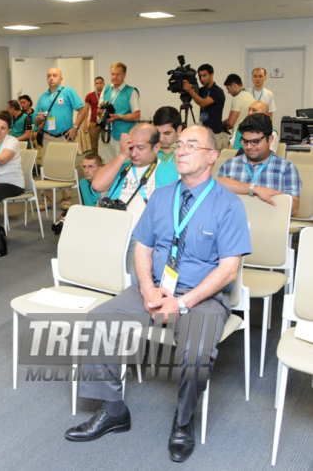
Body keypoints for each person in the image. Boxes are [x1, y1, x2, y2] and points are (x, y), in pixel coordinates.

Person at [65, 125, 252, 463]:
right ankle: (113, 411)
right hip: (154, 287)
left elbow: (228, 270)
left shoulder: (228, 204)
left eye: (191, 145)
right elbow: (143, 247)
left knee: (197, 349)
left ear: (212, 156)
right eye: (178, 144)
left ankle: (182, 423)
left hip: (202, 297)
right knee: (100, 319)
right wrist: (149, 289)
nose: (180, 150)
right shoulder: (163, 196)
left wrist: (181, 302)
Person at [91, 123, 179, 284]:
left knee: (133, 281)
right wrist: (122, 155)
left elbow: (207, 181)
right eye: (131, 147)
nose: (134, 153)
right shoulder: (120, 166)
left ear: (155, 147)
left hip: (144, 238)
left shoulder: (172, 170)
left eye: (140, 148)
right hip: (112, 231)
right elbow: (97, 185)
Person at [217, 113, 301, 217]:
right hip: (234, 225)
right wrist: (254, 189)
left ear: (270, 139)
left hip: (270, 224)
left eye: (255, 142)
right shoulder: (228, 166)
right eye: (245, 141)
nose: (249, 147)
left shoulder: (286, 168)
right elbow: (214, 192)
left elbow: (293, 210)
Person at [34, 67, 86, 210]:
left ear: (60, 79)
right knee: (47, 169)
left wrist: (75, 127)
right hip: (47, 138)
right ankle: (46, 200)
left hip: (65, 136)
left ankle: (66, 199)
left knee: (66, 168)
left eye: (55, 75)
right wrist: (39, 119)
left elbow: (82, 109)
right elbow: (35, 120)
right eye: (49, 75)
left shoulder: (68, 91)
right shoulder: (43, 97)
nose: (51, 78)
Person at [98, 62, 141, 165]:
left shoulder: (131, 91)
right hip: (106, 134)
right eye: (112, 74)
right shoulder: (106, 89)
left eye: (118, 74)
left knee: (123, 165)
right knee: (107, 165)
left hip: (122, 136)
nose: (114, 77)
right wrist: (102, 112)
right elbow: (98, 110)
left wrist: (119, 117)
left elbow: (137, 115)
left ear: (124, 75)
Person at [182, 64, 225, 147]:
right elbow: (194, 95)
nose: (201, 79)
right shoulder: (203, 90)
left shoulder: (217, 91)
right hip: (204, 132)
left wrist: (190, 90)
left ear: (211, 75)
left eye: (204, 75)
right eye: (199, 76)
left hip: (215, 133)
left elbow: (203, 103)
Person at [222, 73, 255, 150]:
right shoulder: (251, 97)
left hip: (238, 137)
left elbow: (230, 122)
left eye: (228, 88)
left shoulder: (238, 98)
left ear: (234, 85)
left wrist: (221, 124)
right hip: (248, 136)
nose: (228, 92)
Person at [83, 76, 105, 158]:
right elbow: (86, 110)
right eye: (97, 83)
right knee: (94, 145)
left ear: (103, 84)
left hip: (105, 122)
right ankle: (94, 163)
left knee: (106, 144)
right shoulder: (90, 96)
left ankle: (105, 162)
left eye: (100, 83)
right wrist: (85, 124)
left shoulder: (107, 95)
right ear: (95, 85)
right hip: (93, 122)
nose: (99, 85)